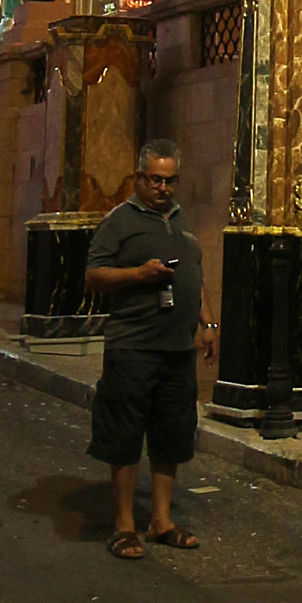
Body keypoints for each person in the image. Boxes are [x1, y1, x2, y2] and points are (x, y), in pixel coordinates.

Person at [83, 139, 219, 560]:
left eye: (170, 180)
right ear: (139, 177)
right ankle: (124, 525)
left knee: (171, 434)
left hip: (177, 350)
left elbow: (195, 274)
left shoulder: (181, 219)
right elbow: (93, 274)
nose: (163, 188)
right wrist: (138, 274)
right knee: (124, 433)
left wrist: (208, 324)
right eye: (155, 180)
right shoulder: (119, 221)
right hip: (133, 347)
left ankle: (161, 520)